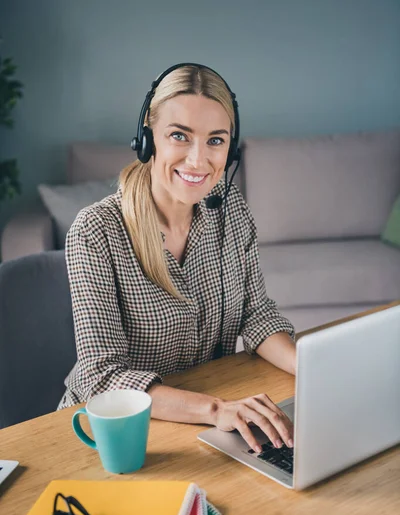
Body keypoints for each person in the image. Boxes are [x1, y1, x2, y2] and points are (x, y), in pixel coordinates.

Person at [58, 63, 297, 454]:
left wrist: (311, 370)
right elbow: (102, 378)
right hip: (116, 436)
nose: (198, 160)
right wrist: (216, 408)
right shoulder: (95, 231)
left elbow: (257, 314)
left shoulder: (231, 211)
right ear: (148, 139)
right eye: (179, 136)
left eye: (216, 141)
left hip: (205, 425)